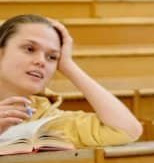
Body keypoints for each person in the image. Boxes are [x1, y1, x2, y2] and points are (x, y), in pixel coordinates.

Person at [0, 14, 142, 146]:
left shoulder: (45, 119)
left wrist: (68, 65)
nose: (41, 61)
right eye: (29, 49)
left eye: (52, 57)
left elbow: (127, 130)